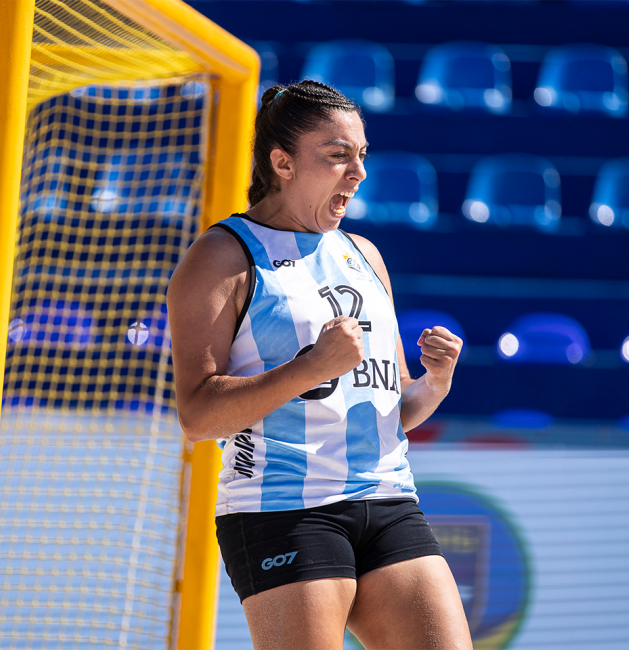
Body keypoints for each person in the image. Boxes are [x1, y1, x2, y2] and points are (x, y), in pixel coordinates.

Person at [167, 80, 472, 650]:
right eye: (337, 156)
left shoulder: (364, 254)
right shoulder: (222, 256)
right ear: (281, 162)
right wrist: (311, 367)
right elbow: (199, 417)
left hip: (387, 499)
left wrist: (435, 382)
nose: (357, 172)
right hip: (284, 508)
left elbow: (396, 409)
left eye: (361, 155)